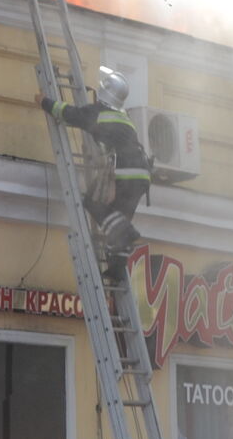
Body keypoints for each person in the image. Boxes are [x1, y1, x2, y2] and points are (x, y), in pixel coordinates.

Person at [39, 67, 152, 281]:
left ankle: (127, 233)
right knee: (120, 218)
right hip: (141, 174)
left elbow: (69, 113)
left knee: (93, 204)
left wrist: (44, 102)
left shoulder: (98, 113)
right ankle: (117, 268)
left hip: (125, 172)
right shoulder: (123, 116)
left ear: (102, 94)